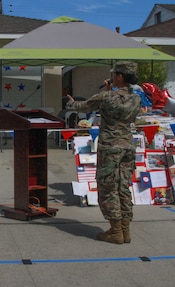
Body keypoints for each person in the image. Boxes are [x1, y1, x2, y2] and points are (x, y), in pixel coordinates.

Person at [65, 61, 142, 244]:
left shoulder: (107, 97)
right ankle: (125, 230)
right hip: (128, 147)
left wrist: (71, 103)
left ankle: (115, 231)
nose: (112, 77)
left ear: (120, 77)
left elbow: (84, 106)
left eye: (114, 74)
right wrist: (110, 91)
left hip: (110, 147)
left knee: (108, 188)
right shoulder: (136, 99)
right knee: (123, 187)